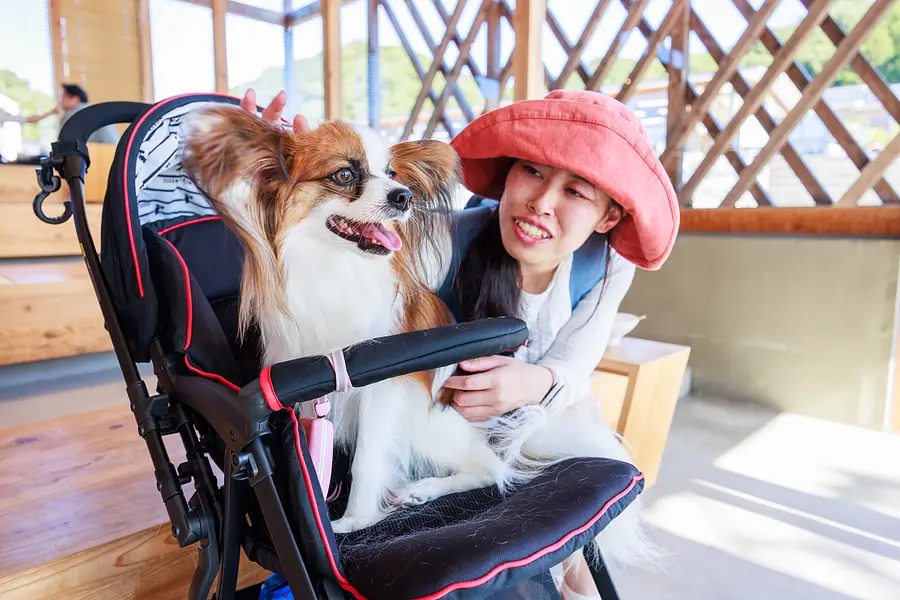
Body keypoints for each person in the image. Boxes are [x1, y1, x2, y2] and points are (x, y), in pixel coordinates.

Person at [239, 88, 679, 599]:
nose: (541, 202)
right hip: (446, 412)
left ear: (608, 218)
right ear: (508, 173)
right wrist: (267, 180)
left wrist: (533, 383)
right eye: (532, 172)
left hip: (541, 408)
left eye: (576, 192)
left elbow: (575, 365)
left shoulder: (606, 264)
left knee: (577, 553)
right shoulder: (444, 236)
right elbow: (354, 295)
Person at [26, 83, 120, 144]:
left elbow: (64, 142)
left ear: (75, 99)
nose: (60, 101)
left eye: (63, 97)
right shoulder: (92, 110)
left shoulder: (74, 115)